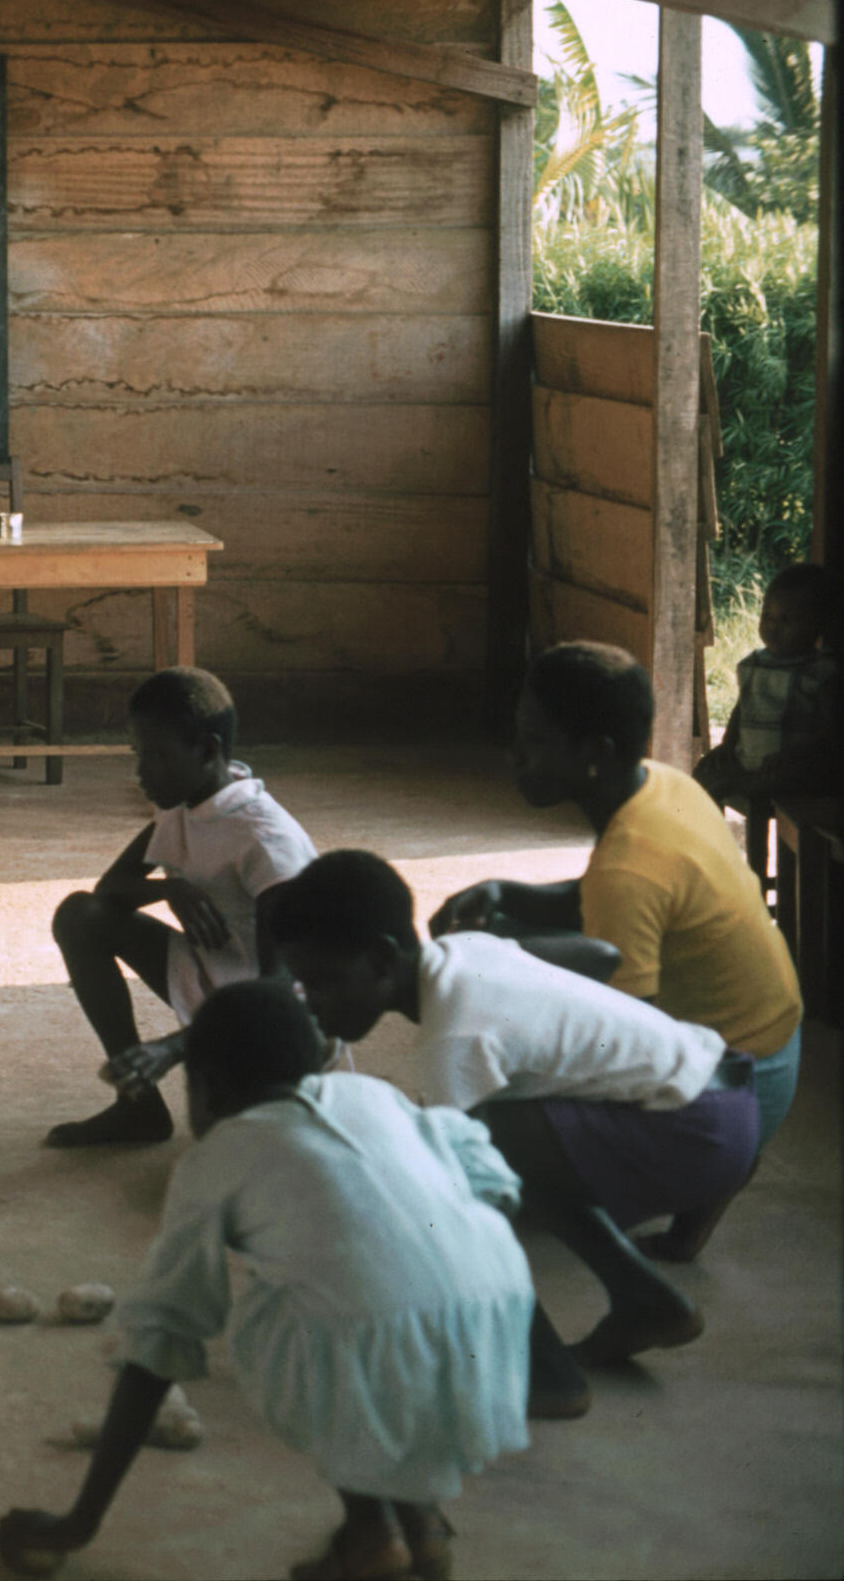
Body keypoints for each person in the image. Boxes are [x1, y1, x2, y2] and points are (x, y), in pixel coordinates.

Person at [0, 980, 529, 1581]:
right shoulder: (373, 1093)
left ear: (208, 1089)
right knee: (363, 1312)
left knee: (293, 1322)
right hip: (499, 1318)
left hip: (374, 1338)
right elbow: (491, 1175)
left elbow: (159, 1342)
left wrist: (76, 1524)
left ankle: (375, 1534)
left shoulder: (215, 1159)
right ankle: (414, 1524)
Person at [272, 850, 758, 1420]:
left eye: (321, 983)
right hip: (725, 1100)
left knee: (458, 1177)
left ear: (382, 959)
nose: (311, 1002)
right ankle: (644, 1301)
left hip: (698, 1129)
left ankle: (545, 1373)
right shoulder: (465, 952)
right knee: (501, 1137)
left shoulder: (454, 1040)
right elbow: (600, 956)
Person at [432, 641, 801, 1260]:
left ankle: (701, 1171)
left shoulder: (629, 870)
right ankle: (710, 1181)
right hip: (774, 1054)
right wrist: (511, 895)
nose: (513, 754)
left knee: (492, 1115)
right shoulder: (665, 785)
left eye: (534, 739)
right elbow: (606, 896)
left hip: (733, 1088)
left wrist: (498, 971)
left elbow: (620, 1040)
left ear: (595, 754)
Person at [44, 667, 316, 1148]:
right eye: (138, 755)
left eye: (156, 756)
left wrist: (171, 1049)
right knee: (80, 915)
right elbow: (109, 889)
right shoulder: (182, 803)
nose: (141, 773)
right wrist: (170, 890)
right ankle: (139, 1107)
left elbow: (283, 989)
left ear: (208, 751)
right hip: (209, 976)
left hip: (269, 1019)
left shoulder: (267, 841)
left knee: (246, 1147)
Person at [692, 562, 840, 802]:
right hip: (747, 759)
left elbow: (830, 729)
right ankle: (727, 802)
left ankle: (744, 786)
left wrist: (795, 753)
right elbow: (742, 709)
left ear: (816, 626)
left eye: (786, 620)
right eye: (767, 616)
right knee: (703, 771)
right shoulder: (754, 665)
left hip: (788, 766)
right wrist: (727, 745)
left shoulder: (818, 672)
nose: (773, 627)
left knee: (793, 775)